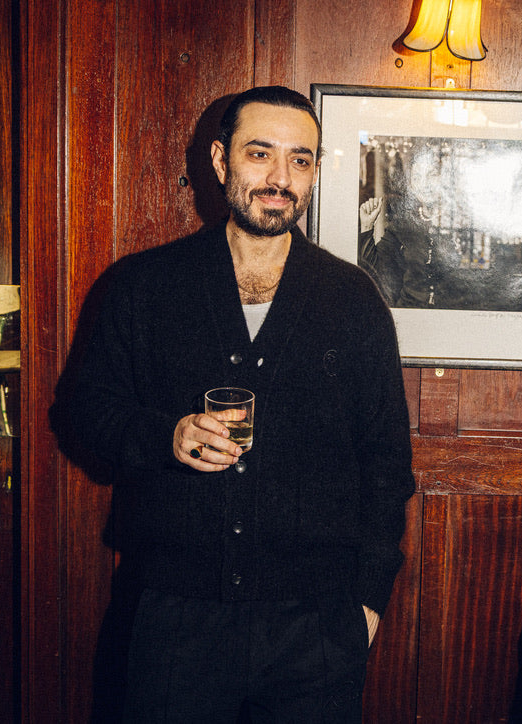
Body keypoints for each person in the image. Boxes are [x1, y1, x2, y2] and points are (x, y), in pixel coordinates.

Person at [70, 86, 414, 722]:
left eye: (300, 159)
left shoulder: (353, 301)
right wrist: (165, 436)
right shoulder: (141, 286)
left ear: (315, 171)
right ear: (220, 161)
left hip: (316, 623)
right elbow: (84, 412)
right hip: (175, 615)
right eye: (260, 154)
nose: (280, 177)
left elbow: (387, 463)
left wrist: (368, 600)